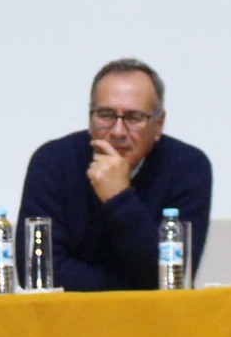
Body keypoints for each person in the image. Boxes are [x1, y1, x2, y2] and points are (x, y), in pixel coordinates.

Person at [17, 58, 212, 290]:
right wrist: (131, 287)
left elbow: (170, 277)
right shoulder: (52, 161)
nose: (118, 131)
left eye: (134, 118)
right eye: (106, 115)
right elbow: (39, 272)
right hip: (66, 318)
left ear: (159, 125)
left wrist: (119, 198)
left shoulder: (188, 167)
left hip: (154, 320)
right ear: (90, 118)